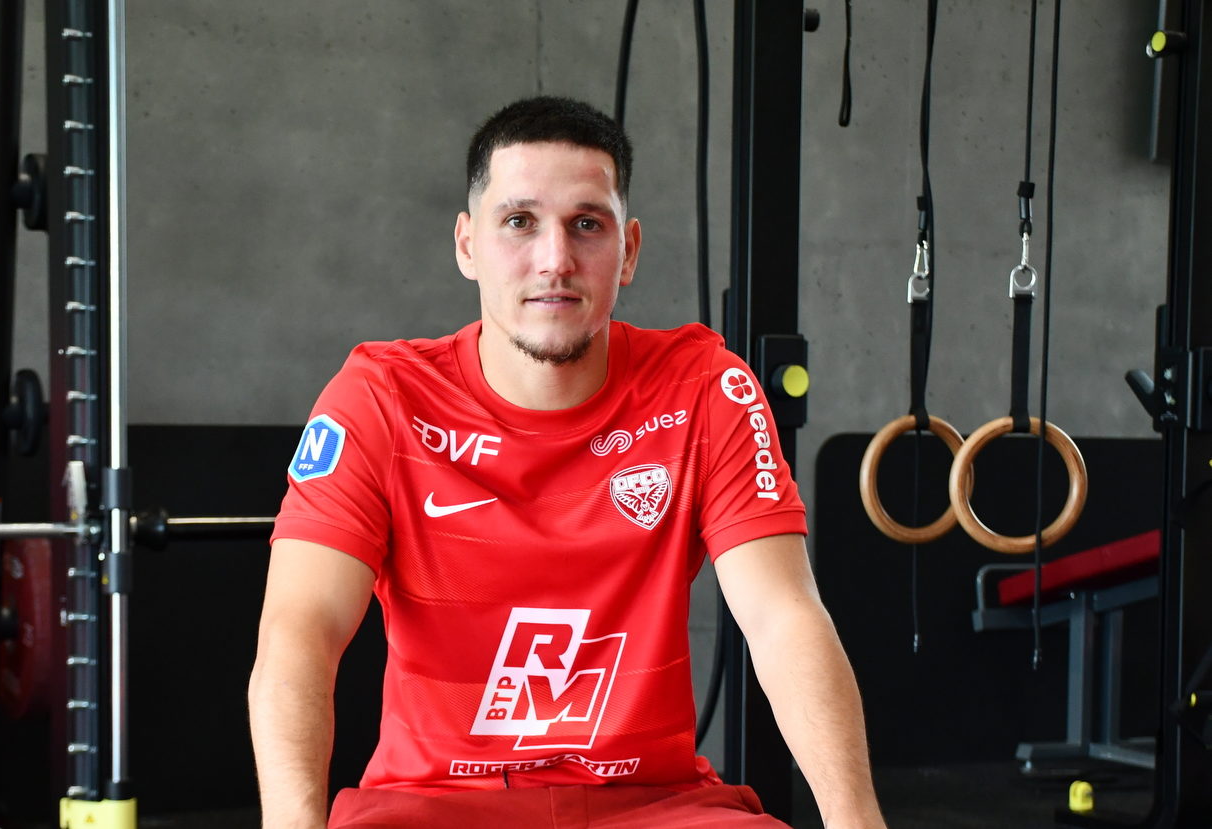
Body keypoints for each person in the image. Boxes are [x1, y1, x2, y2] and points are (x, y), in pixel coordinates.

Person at [249, 95, 885, 829]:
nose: (555, 259)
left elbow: (781, 618)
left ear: (629, 250)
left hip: (654, 808)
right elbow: (300, 630)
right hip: (434, 807)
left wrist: (858, 822)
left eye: (587, 224)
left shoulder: (705, 386)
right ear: (467, 245)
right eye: (519, 221)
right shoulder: (380, 397)